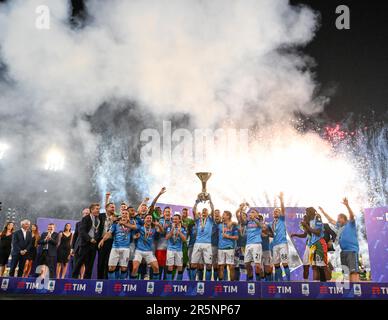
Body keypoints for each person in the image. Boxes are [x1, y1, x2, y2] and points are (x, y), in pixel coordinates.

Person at [319, 198, 360, 282]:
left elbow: (352, 216)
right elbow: (330, 220)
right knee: (346, 272)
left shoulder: (350, 224)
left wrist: (347, 205)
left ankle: (356, 290)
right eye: (337, 218)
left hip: (351, 251)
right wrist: (323, 212)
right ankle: (349, 290)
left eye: (339, 218)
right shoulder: (339, 226)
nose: (337, 220)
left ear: (344, 219)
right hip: (343, 252)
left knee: (353, 272)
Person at [99, 209, 137, 279]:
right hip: (115, 248)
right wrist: (103, 240)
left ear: (128, 215)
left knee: (124, 268)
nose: (125, 214)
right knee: (111, 268)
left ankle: (121, 283)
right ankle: (111, 284)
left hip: (126, 248)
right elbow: (109, 233)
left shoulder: (131, 223)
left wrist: (124, 223)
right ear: (121, 214)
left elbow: (135, 227)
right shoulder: (115, 223)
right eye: (123, 213)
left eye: (126, 213)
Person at [72, 203, 105, 279]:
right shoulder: (86, 218)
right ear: (92, 210)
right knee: (78, 263)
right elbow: (82, 231)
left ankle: (87, 282)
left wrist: (96, 240)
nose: (98, 210)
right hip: (85, 244)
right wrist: (90, 239)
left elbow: (98, 231)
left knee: (90, 265)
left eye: (99, 209)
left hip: (93, 246)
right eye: (97, 209)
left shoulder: (99, 219)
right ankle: (73, 280)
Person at [130, 214, 164, 280]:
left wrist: (159, 225)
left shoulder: (153, 230)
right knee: (134, 268)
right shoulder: (140, 227)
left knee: (156, 268)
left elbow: (162, 231)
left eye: (150, 218)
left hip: (149, 251)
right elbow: (133, 234)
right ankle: (132, 284)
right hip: (139, 250)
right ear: (144, 220)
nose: (149, 219)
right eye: (147, 218)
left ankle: (155, 284)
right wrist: (135, 236)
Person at [190, 194, 215, 281]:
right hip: (197, 243)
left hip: (207, 244)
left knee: (208, 265)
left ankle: (207, 283)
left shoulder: (211, 220)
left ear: (208, 213)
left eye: (206, 210)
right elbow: (193, 211)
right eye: (203, 210)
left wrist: (210, 200)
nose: (204, 211)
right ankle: (192, 282)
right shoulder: (198, 219)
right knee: (193, 264)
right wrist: (197, 202)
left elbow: (213, 209)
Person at [301, 207, 328, 281]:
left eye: (307, 212)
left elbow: (318, 232)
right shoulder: (310, 220)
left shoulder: (317, 217)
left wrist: (306, 226)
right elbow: (310, 233)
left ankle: (326, 283)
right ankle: (315, 285)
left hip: (319, 243)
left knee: (321, 266)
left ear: (311, 212)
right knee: (314, 266)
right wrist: (305, 226)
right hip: (313, 244)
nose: (306, 214)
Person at [271, 192, 291, 281]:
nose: (275, 212)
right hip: (274, 245)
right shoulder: (271, 223)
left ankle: (288, 281)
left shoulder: (282, 219)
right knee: (276, 264)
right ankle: (279, 281)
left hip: (282, 244)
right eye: (274, 211)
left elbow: (283, 210)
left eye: (277, 211)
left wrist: (281, 199)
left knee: (285, 263)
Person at [243, 210, 267, 281]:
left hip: (256, 244)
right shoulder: (247, 222)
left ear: (257, 214)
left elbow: (261, 226)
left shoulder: (259, 221)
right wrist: (241, 210)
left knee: (257, 266)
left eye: (253, 212)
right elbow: (241, 220)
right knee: (247, 264)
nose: (251, 213)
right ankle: (250, 280)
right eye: (250, 212)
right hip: (248, 245)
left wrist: (254, 219)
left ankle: (262, 280)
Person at [98, 197, 118, 279]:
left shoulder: (117, 218)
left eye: (114, 207)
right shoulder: (100, 216)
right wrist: (107, 198)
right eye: (112, 207)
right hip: (101, 240)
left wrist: (114, 220)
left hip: (111, 241)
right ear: (106, 208)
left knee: (109, 261)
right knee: (101, 260)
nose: (113, 208)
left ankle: (106, 279)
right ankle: (99, 280)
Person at [217, 211, 238, 281]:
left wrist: (228, 236)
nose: (222, 216)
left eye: (224, 215)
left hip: (230, 248)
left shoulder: (233, 225)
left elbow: (236, 237)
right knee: (221, 267)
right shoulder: (220, 225)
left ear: (228, 216)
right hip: (220, 248)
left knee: (231, 267)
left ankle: (232, 283)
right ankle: (220, 283)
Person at [165, 214, 187, 280]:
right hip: (170, 250)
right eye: (173, 219)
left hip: (179, 250)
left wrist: (179, 232)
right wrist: (172, 230)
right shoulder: (169, 227)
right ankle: (169, 283)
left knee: (180, 267)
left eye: (176, 219)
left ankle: (179, 283)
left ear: (179, 220)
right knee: (170, 267)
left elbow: (184, 240)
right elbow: (166, 237)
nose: (174, 220)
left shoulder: (183, 228)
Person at [291, 214, 312, 280]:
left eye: (304, 219)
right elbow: (305, 235)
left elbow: (313, 233)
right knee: (305, 264)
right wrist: (295, 234)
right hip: (308, 246)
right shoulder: (306, 226)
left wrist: (305, 225)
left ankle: (320, 282)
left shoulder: (313, 225)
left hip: (315, 246)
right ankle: (305, 282)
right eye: (303, 219)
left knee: (317, 265)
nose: (303, 220)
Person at [71, 208, 89, 279]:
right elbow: (75, 236)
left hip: (87, 247)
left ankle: (82, 278)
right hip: (78, 247)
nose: (86, 215)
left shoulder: (93, 224)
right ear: (83, 214)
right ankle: (75, 279)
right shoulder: (78, 223)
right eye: (85, 213)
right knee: (76, 264)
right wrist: (72, 248)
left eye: (87, 213)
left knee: (84, 264)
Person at [156, 206, 172, 280]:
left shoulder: (174, 221)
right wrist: (162, 227)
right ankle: (158, 284)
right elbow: (158, 231)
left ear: (171, 213)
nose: (167, 213)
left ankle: (165, 285)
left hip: (170, 248)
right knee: (159, 266)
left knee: (167, 267)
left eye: (169, 212)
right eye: (166, 211)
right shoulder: (160, 221)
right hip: (161, 247)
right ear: (163, 213)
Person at [235, 204, 248, 281]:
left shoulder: (248, 224)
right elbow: (237, 213)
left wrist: (242, 210)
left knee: (246, 264)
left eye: (243, 215)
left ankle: (247, 282)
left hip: (245, 247)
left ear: (246, 217)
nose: (241, 216)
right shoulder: (237, 224)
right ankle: (237, 282)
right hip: (237, 247)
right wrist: (240, 208)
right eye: (241, 215)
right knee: (236, 265)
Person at [261, 216, 274, 281]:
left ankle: (268, 283)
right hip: (257, 249)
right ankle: (260, 284)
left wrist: (267, 234)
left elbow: (273, 235)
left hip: (266, 249)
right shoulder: (254, 226)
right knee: (259, 268)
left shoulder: (267, 225)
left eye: (261, 219)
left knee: (268, 268)